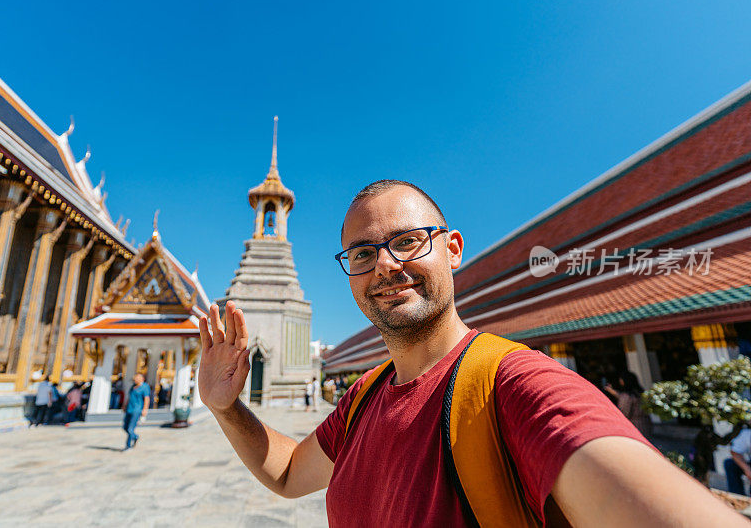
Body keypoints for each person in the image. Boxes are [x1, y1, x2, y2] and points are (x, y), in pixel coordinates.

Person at [197, 180, 745, 527]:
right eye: (363, 253)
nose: (385, 265)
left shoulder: (517, 385)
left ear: (453, 249)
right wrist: (227, 407)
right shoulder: (363, 397)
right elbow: (290, 474)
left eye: (407, 241)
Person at [604, 370, 653, 438]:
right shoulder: (640, 393)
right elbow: (622, 396)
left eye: (621, 380)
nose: (620, 381)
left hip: (635, 427)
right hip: (646, 424)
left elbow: (624, 413)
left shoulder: (627, 396)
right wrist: (611, 391)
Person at [123, 373, 150, 450]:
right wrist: (125, 405)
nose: (135, 379)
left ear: (142, 379)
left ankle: (128, 445)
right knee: (125, 427)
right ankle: (135, 436)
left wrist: (145, 409)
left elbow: (146, 398)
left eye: (137, 378)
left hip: (137, 410)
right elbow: (129, 397)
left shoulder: (145, 387)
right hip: (129, 409)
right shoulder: (133, 387)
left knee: (130, 429)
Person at [724, 428, 751, 496]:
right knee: (730, 464)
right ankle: (737, 496)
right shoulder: (747, 433)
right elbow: (735, 452)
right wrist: (747, 469)